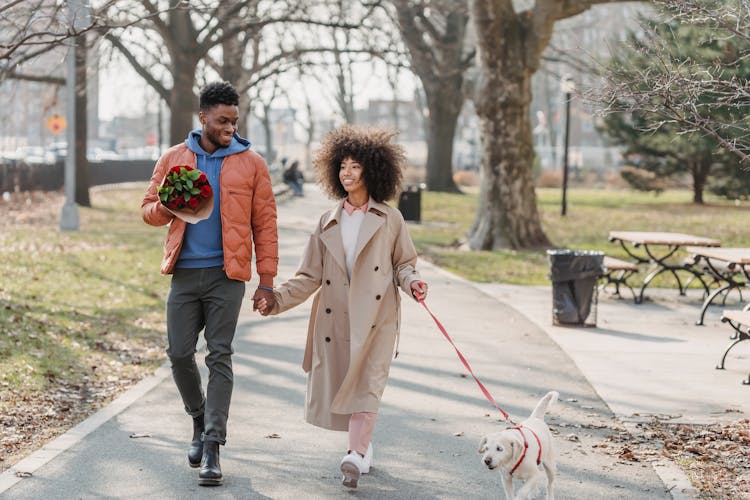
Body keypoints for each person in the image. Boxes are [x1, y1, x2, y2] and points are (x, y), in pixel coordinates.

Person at [256, 125, 428, 489]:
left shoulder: (390, 219)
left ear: (372, 170)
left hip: (377, 319)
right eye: (342, 167)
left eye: (355, 166)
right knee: (346, 389)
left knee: (368, 384)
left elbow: (403, 264)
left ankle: (353, 454)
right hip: (336, 320)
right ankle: (362, 447)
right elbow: (308, 276)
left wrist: (412, 282)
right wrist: (275, 300)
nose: (347, 173)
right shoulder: (326, 221)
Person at [141, 81, 278, 487]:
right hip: (184, 273)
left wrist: (266, 281)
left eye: (235, 121)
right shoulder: (174, 157)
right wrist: (169, 204)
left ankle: (214, 446)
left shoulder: (252, 163)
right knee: (180, 353)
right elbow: (147, 210)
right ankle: (198, 419)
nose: (230, 129)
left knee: (219, 355)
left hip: (227, 275)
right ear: (202, 117)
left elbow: (265, 223)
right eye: (222, 121)